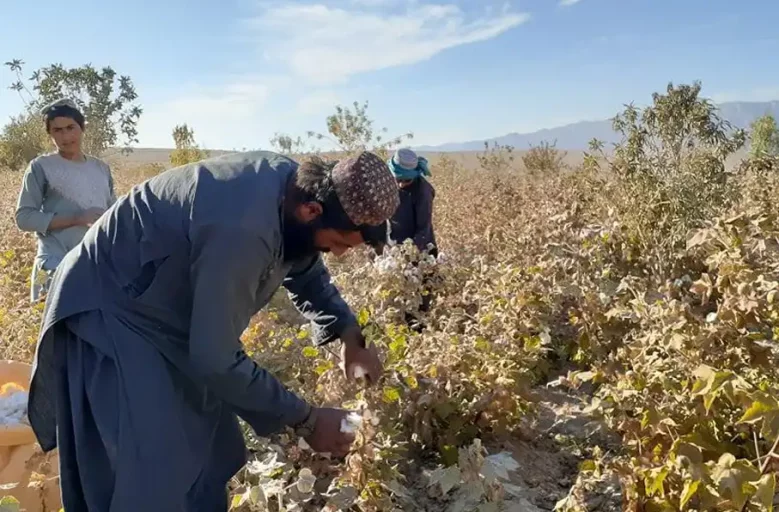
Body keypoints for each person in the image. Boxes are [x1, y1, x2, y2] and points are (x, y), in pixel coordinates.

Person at [27, 150, 399, 510]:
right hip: (113, 308)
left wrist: (349, 334)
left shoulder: (297, 190)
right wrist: (307, 419)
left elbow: (304, 264)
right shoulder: (241, 229)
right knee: (148, 467)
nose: (337, 254)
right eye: (337, 243)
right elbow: (215, 357)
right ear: (312, 210)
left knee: (210, 450)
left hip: (167, 315)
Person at [15, 98, 116, 303]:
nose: (66, 136)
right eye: (57, 130)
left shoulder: (101, 168)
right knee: (42, 321)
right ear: (50, 134)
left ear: (82, 127)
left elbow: (114, 215)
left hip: (94, 266)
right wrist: (77, 218)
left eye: (71, 127)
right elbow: (24, 218)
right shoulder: (40, 167)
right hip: (52, 265)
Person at [386, 147, 437, 258]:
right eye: (398, 179)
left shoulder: (423, 192)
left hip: (420, 251)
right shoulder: (387, 183)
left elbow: (423, 229)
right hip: (395, 245)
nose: (401, 184)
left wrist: (408, 254)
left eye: (407, 180)